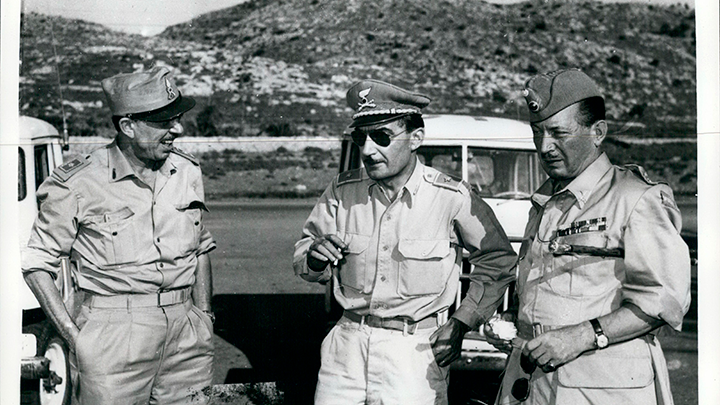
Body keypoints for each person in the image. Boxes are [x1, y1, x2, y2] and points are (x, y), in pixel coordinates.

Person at [293, 79, 518, 404]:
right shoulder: (342, 192)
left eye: (382, 137)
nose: (367, 150)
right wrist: (315, 256)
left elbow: (498, 260)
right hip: (346, 348)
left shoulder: (451, 196)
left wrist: (461, 323)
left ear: (416, 138)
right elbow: (305, 251)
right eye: (360, 138)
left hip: (414, 353)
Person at [485, 69, 692, 405]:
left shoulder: (634, 198)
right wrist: (516, 320)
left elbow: (664, 301)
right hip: (530, 384)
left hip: (600, 389)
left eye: (558, 133)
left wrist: (583, 335)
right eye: (537, 133)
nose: (545, 147)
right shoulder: (546, 201)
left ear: (598, 132)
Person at [22, 66, 217, 404]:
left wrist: (204, 315)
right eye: (164, 121)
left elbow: (201, 248)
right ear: (128, 126)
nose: (177, 129)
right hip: (112, 339)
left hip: (187, 338)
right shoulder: (78, 183)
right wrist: (74, 337)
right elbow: (36, 263)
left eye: (177, 118)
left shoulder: (185, 170)